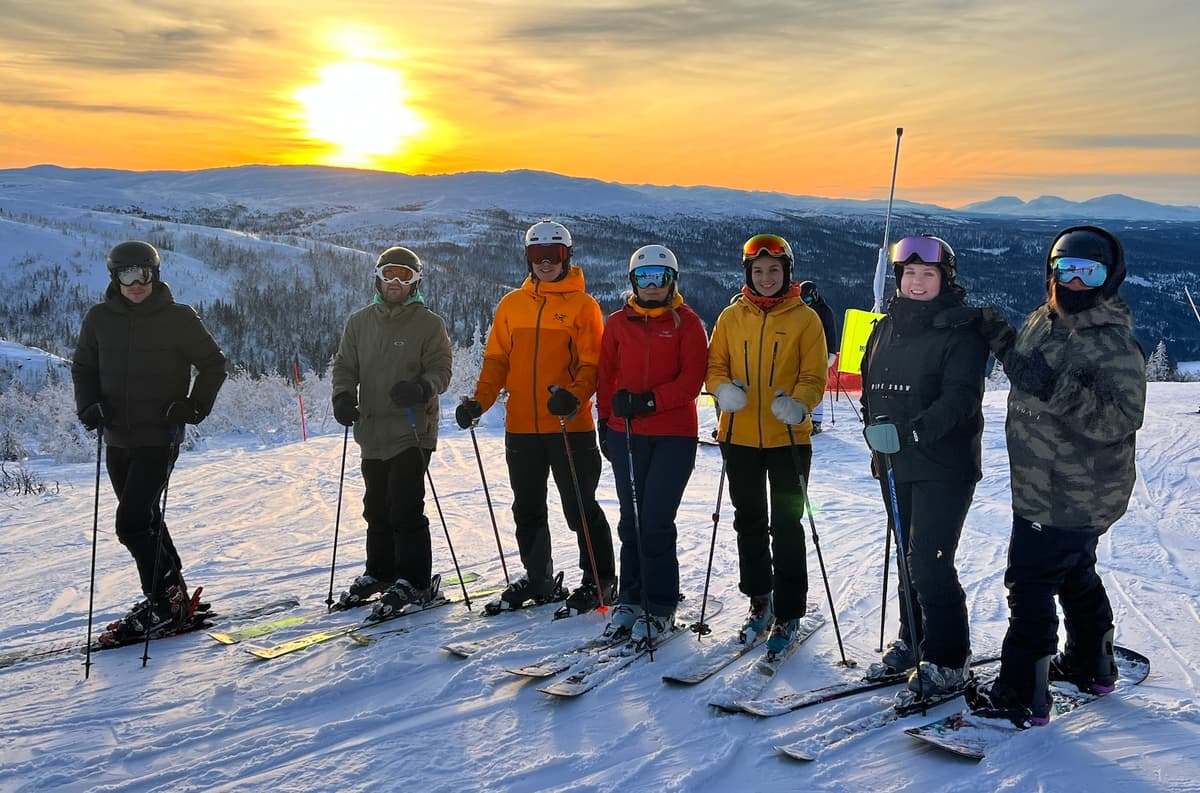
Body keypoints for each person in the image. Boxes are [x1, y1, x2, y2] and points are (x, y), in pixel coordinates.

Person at [957, 226, 1146, 727]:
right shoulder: (1046, 319)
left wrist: (1055, 389)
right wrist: (998, 336)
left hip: (1071, 492)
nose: (1076, 282)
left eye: (1090, 272)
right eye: (1067, 270)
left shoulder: (1112, 342)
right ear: (1052, 273)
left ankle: (1022, 693)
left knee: (1031, 582)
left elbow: (1121, 419)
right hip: (1046, 483)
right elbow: (1026, 369)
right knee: (1074, 572)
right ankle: (1091, 663)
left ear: (1111, 278)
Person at [456, 220, 616, 614]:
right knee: (526, 507)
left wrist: (574, 397)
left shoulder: (583, 306)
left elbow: (592, 366)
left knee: (580, 507)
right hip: (522, 428)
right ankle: (539, 579)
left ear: (567, 257)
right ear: (527, 259)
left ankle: (599, 580)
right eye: (536, 256)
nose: (545, 263)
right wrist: (479, 402)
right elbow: (496, 361)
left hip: (569, 426)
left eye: (554, 255)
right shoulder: (512, 305)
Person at [71, 240, 227, 641]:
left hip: (160, 435)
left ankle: (161, 601)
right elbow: (84, 366)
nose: (136, 283)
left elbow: (213, 364)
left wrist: (193, 408)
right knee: (146, 517)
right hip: (118, 437)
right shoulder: (99, 319)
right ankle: (172, 595)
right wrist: (88, 406)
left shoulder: (178, 318)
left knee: (132, 522)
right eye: (127, 275)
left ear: (155, 275)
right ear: (115, 277)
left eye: (144, 274)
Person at [859, 234, 989, 698]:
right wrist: (874, 432)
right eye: (909, 273)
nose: (917, 282)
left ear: (944, 279)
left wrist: (912, 431)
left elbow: (960, 399)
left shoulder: (962, 331)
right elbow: (871, 387)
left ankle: (950, 658)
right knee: (907, 558)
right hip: (895, 461)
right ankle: (914, 639)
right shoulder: (885, 327)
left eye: (927, 274)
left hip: (944, 464)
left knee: (930, 562)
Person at [705, 233, 828, 656]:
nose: (766, 277)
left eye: (774, 270)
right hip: (738, 435)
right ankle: (760, 600)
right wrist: (723, 391)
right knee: (749, 521)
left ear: (787, 272)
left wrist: (800, 404)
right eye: (758, 271)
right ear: (748, 274)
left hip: (788, 437)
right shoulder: (730, 317)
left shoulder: (805, 319)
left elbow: (814, 375)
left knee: (787, 526)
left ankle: (789, 610)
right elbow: (714, 365)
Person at [330, 246, 453, 616]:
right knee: (377, 508)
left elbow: (441, 370)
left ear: (415, 281)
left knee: (404, 506)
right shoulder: (360, 322)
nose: (396, 282)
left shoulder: (428, 324)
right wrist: (342, 396)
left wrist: (421, 389)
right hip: (372, 431)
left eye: (404, 276)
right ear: (378, 278)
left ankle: (415, 581)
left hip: (413, 430)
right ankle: (381, 572)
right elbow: (345, 366)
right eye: (389, 274)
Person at [596, 244, 707, 642]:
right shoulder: (617, 323)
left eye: (660, 277)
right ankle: (631, 597)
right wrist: (604, 420)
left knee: (656, 520)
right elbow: (605, 375)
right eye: (644, 278)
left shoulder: (688, 324)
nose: (652, 285)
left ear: (673, 280)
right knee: (631, 520)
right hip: (626, 434)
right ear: (632, 282)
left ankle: (659, 604)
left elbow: (691, 381)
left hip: (673, 436)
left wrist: (648, 401)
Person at [799, 280, 838, 434]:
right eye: (803, 300)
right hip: (803, 352)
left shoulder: (824, 311)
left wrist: (831, 354)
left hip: (820, 353)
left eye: (808, 300)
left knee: (816, 385)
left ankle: (816, 421)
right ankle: (805, 418)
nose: (806, 303)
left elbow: (831, 333)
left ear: (814, 296)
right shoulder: (800, 310)